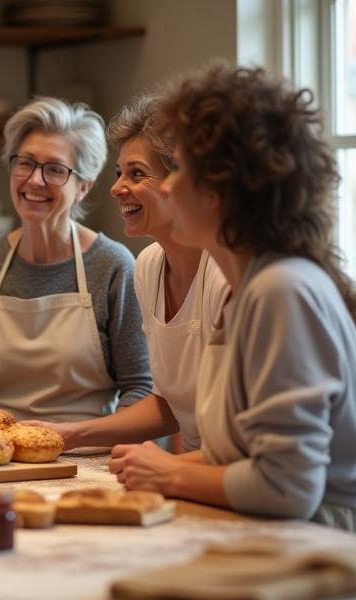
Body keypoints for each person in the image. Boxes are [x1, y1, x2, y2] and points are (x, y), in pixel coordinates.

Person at [109, 64, 356, 530]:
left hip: (323, 550)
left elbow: (288, 489)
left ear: (223, 189)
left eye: (181, 170)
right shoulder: (249, 289)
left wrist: (169, 474)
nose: (166, 187)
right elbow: (244, 458)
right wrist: (162, 467)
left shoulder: (283, 290)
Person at [30, 96, 229, 451]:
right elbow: (167, 403)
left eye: (137, 174)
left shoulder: (224, 275)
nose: (117, 187)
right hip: (206, 472)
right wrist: (68, 434)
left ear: (185, 182)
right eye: (119, 172)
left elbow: (248, 444)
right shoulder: (150, 266)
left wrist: (166, 468)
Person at [0, 97, 152, 421]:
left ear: (83, 186)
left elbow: (139, 387)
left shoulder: (112, 265)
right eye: (25, 163)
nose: (34, 180)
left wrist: (92, 444)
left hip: (88, 457)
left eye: (55, 169)